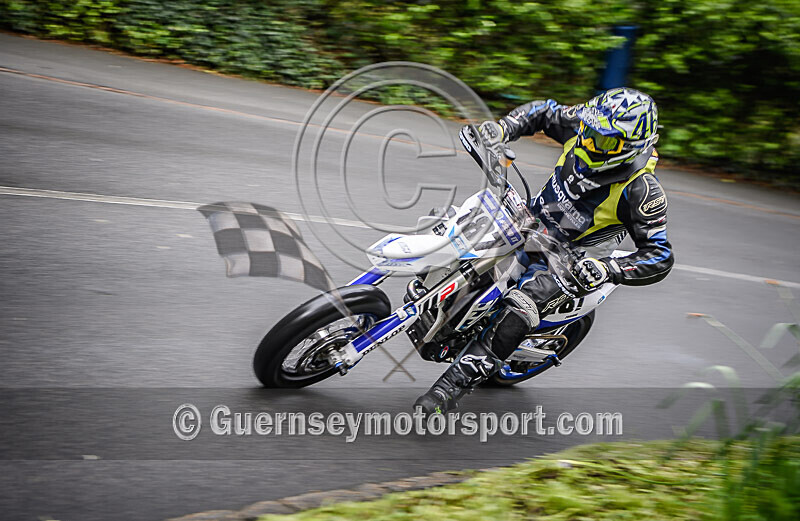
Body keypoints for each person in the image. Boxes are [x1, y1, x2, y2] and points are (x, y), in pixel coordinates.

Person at [415, 87, 674, 414]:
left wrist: (608, 269)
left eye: (604, 140)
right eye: (589, 131)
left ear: (631, 146)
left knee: (523, 303)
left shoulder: (643, 190)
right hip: (530, 218)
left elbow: (660, 255)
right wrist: (503, 128)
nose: (590, 142)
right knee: (455, 226)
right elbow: (545, 111)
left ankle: (450, 388)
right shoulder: (586, 127)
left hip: (569, 258)